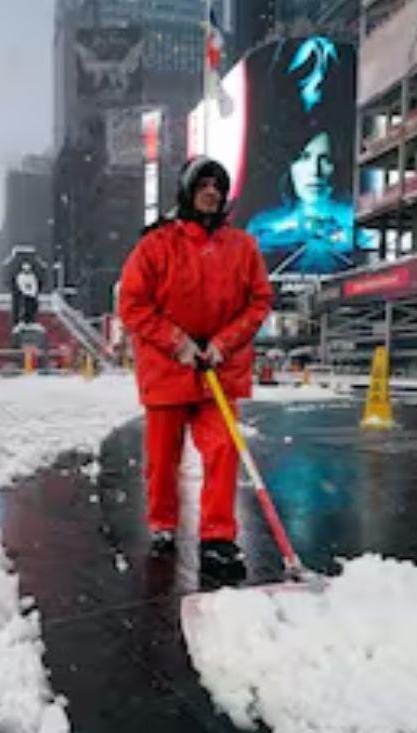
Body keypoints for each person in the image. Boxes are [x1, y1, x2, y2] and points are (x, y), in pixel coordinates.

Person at [119, 156, 273, 581]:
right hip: (167, 372)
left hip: (218, 374)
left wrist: (223, 343)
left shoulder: (242, 247)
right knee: (162, 459)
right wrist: (178, 343)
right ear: (187, 192)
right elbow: (132, 304)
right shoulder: (156, 245)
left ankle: (218, 538)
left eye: (218, 187)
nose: (211, 193)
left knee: (222, 452)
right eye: (203, 185)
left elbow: (259, 301)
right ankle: (163, 525)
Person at [246, 130, 352, 275]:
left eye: (326, 159)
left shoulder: (360, 222)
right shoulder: (263, 226)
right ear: (291, 166)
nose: (315, 170)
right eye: (304, 157)